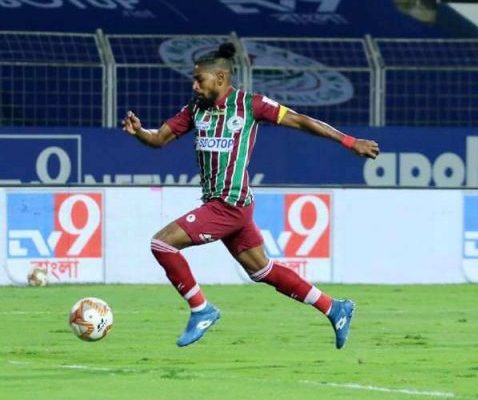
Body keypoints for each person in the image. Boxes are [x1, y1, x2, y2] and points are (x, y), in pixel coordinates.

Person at [121, 43, 380, 348]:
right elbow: (159, 139)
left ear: (220, 78)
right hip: (229, 205)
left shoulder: (251, 105)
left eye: (199, 80)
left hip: (229, 203)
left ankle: (201, 308)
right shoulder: (195, 109)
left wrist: (350, 142)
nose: (194, 85)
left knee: (161, 243)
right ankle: (334, 308)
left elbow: (301, 120)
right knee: (263, 271)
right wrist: (140, 132)